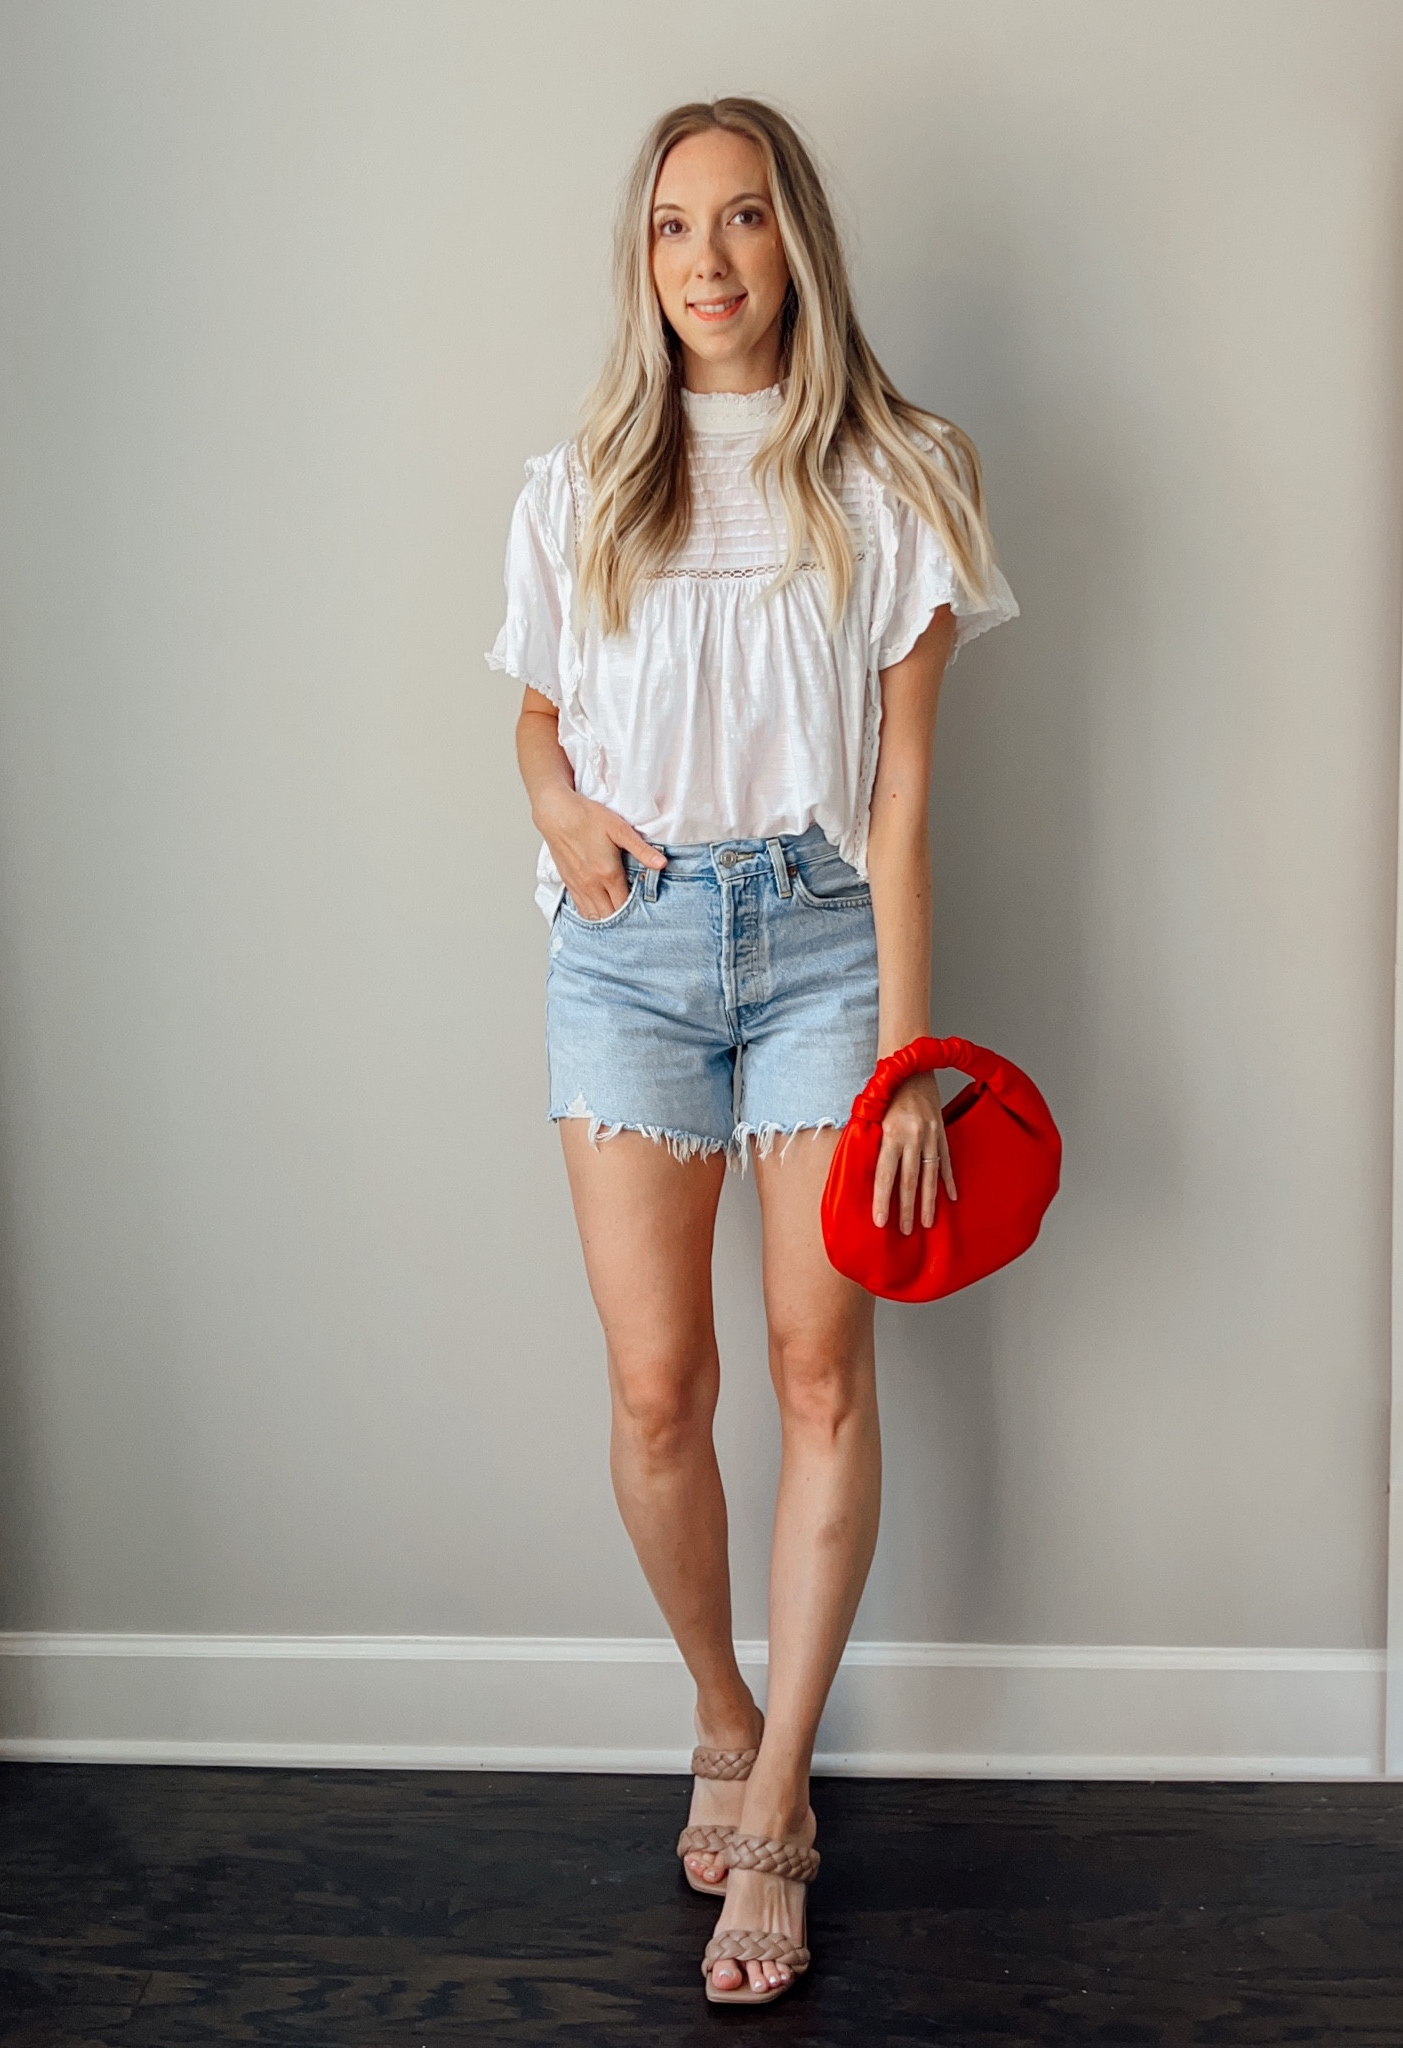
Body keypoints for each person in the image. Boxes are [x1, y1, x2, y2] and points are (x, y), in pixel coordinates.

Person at [487, 95, 1016, 2007]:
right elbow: (538, 722)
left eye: (742, 218)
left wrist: (911, 1058)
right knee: (657, 1393)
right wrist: (559, 807)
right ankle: (720, 1704)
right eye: (671, 226)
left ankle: (779, 1795)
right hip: (625, 952)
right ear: (642, 259)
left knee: (816, 1373)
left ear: (799, 241)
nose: (705, 260)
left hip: (819, 950)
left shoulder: (899, 478)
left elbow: (905, 805)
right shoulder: (578, 486)